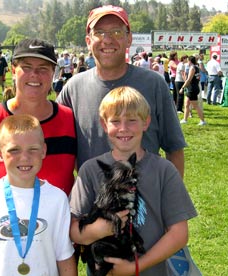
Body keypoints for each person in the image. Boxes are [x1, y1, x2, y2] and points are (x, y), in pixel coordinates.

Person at [70, 86, 198, 276]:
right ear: (104, 125)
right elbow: (73, 229)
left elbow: (179, 233)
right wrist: (98, 230)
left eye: (132, 120)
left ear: (146, 123)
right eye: (115, 121)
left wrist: (137, 265)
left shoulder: (163, 171)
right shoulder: (91, 170)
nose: (123, 128)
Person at [57, 5, 186, 178]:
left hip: (145, 200)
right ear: (88, 41)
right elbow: (58, 149)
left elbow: (174, 149)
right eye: (99, 32)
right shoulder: (73, 89)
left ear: (129, 39)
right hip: (93, 200)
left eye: (116, 32)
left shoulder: (154, 84)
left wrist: (170, 199)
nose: (107, 39)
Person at [0, 38, 77, 204]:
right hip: (4, 227)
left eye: (43, 68)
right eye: (26, 67)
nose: (34, 74)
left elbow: (87, 173)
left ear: (53, 72)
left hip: (58, 227)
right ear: (13, 69)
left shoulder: (70, 119)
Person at [0, 114, 77, 276]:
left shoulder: (57, 199)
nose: (24, 157)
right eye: (14, 150)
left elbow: (64, 257)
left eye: (33, 149)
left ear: (43, 151)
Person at [179, 56, 207, 126]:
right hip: (192, 87)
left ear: (190, 61)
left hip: (192, 89)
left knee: (195, 106)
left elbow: (189, 80)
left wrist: (182, 87)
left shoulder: (193, 68)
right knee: (186, 104)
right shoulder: (196, 67)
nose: (187, 62)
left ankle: (203, 121)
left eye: (188, 61)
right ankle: (185, 119)